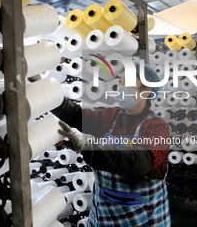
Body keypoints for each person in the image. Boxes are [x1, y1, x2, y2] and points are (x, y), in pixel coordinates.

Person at [52, 62, 171, 226]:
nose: (120, 88)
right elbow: (75, 114)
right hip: (103, 216)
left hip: (141, 219)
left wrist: (89, 147)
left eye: (127, 83)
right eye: (120, 82)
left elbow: (137, 160)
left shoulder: (158, 127)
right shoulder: (109, 117)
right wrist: (49, 94)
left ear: (146, 91)